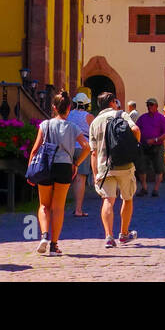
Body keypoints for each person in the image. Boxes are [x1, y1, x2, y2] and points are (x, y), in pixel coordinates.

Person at [28, 90, 91, 257]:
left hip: (46, 165)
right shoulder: (73, 127)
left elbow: (35, 150)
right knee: (58, 207)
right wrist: (76, 163)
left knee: (43, 205)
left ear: (54, 107)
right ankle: (54, 245)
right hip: (64, 166)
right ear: (69, 108)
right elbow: (87, 147)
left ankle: (43, 236)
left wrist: (30, 172)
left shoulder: (45, 125)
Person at [89, 92, 139, 248]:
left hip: (104, 166)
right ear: (112, 102)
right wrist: (135, 146)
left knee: (108, 200)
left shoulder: (95, 122)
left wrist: (95, 173)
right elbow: (136, 129)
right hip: (124, 163)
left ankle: (109, 236)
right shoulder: (122, 114)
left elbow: (94, 152)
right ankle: (124, 234)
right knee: (127, 198)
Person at [135, 98, 165, 197]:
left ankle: (156, 189)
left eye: (151, 104)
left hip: (157, 146)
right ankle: (144, 187)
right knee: (141, 167)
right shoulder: (143, 117)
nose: (149, 106)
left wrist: (155, 140)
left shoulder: (161, 118)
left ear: (156, 106)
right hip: (144, 145)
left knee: (159, 168)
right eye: (148, 105)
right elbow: (136, 129)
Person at [67, 92, 94, 217]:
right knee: (80, 178)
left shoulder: (69, 114)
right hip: (84, 147)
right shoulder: (89, 116)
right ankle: (78, 209)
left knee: (69, 177)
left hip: (69, 146)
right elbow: (94, 133)